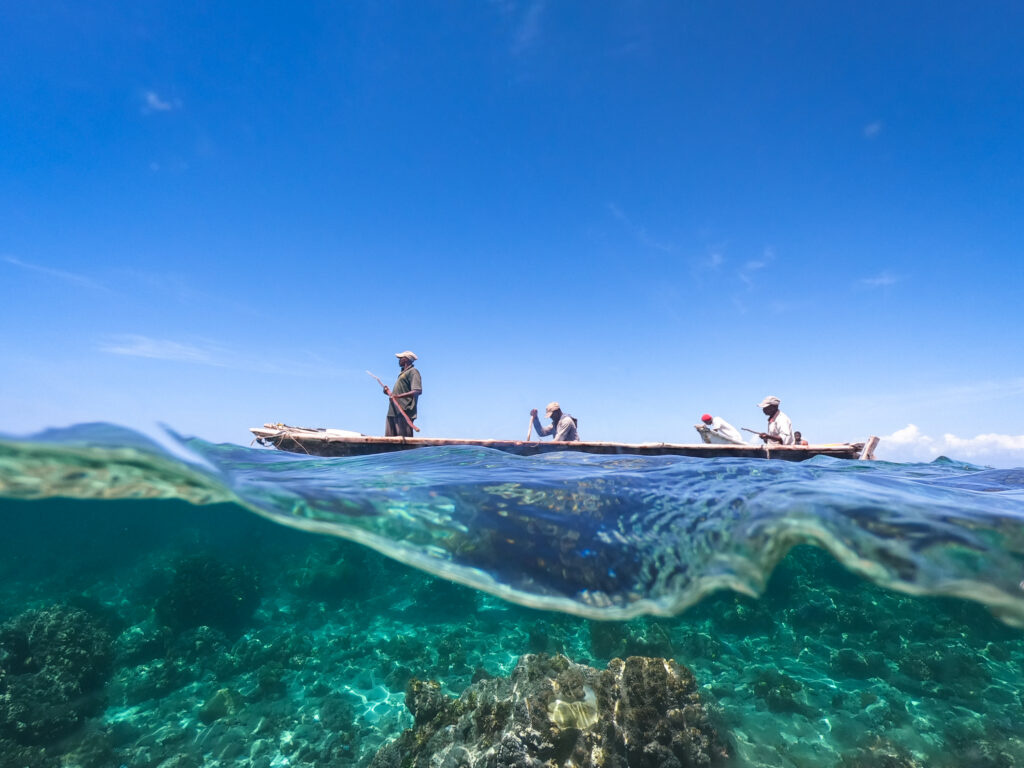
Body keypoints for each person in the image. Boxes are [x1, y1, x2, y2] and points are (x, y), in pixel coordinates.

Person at [383, 351, 422, 437]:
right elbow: (398, 392)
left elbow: (417, 391)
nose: (399, 360)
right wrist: (388, 393)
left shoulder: (413, 372)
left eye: (400, 358)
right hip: (393, 411)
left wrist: (398, 396)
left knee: (404, 440)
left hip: (404, 410)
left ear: (406, 359)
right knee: (390, 441)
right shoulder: (402, 374)